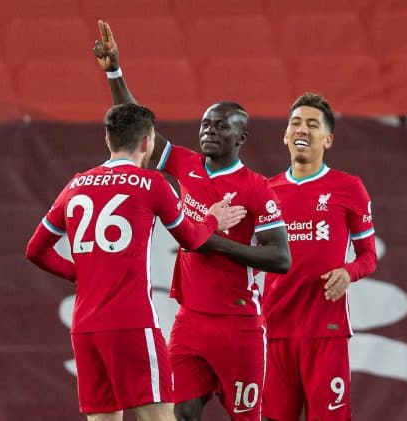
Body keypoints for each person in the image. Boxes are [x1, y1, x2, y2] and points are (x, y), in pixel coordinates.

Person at [93, 21, 291, 421]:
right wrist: (114, 71)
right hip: (190, 320)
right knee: (178, 414)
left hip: (239, 324)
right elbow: (138, 126)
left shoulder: (256, 189)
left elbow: (280, 259)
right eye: (204, 124)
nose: (208, 131)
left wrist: (210, 240)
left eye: (220, 126)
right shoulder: (187, 165)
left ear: (241, 137)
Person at [25, 103, 250, 421]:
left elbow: (35, 250)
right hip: (131, 323)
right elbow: (193, 240)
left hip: (86, 326)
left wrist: (81, 274)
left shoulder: (76, 185)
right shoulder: (153, 185)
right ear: (147, 141)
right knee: (158, 417)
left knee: (103, 419)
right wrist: (213, 219)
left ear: (108, 139)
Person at [261, 94, 378, 421]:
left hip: (326, 330)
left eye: (313, 125)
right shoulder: (266, 192)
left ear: (327, 139)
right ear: (286, 135)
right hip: (274, 329)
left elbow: (369, 256)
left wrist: (348, 272)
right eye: (295, 123)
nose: (303, 129)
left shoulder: (349, 188)